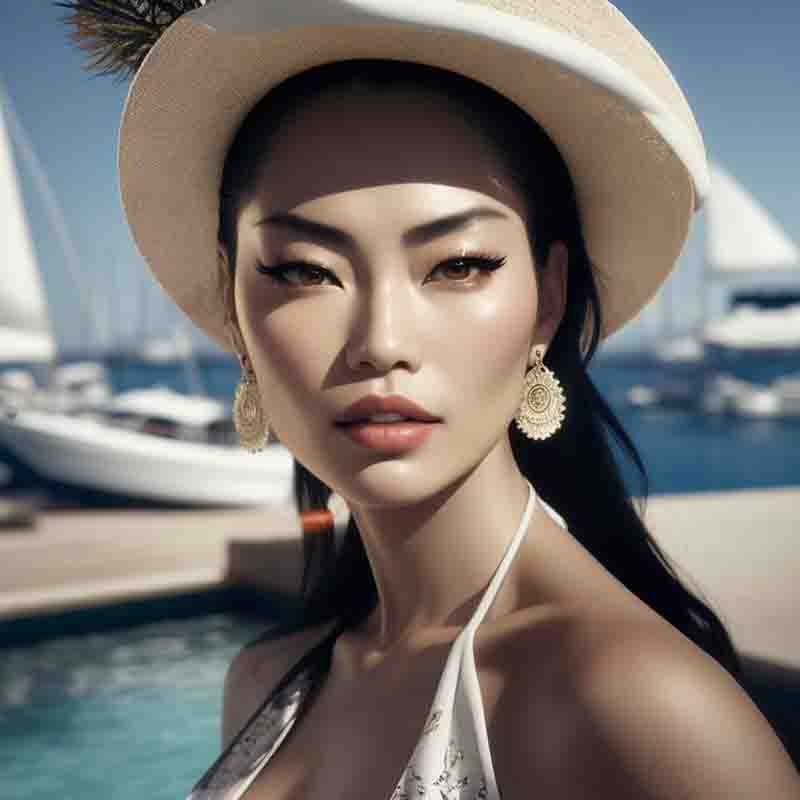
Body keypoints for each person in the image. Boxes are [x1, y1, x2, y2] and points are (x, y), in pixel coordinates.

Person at [60, 1, 800, 797]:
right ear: (233, 304)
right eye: (305, 270)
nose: (381, 341)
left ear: (547, 299)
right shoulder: (263, 679)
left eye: (458, 265)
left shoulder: (641, 712)